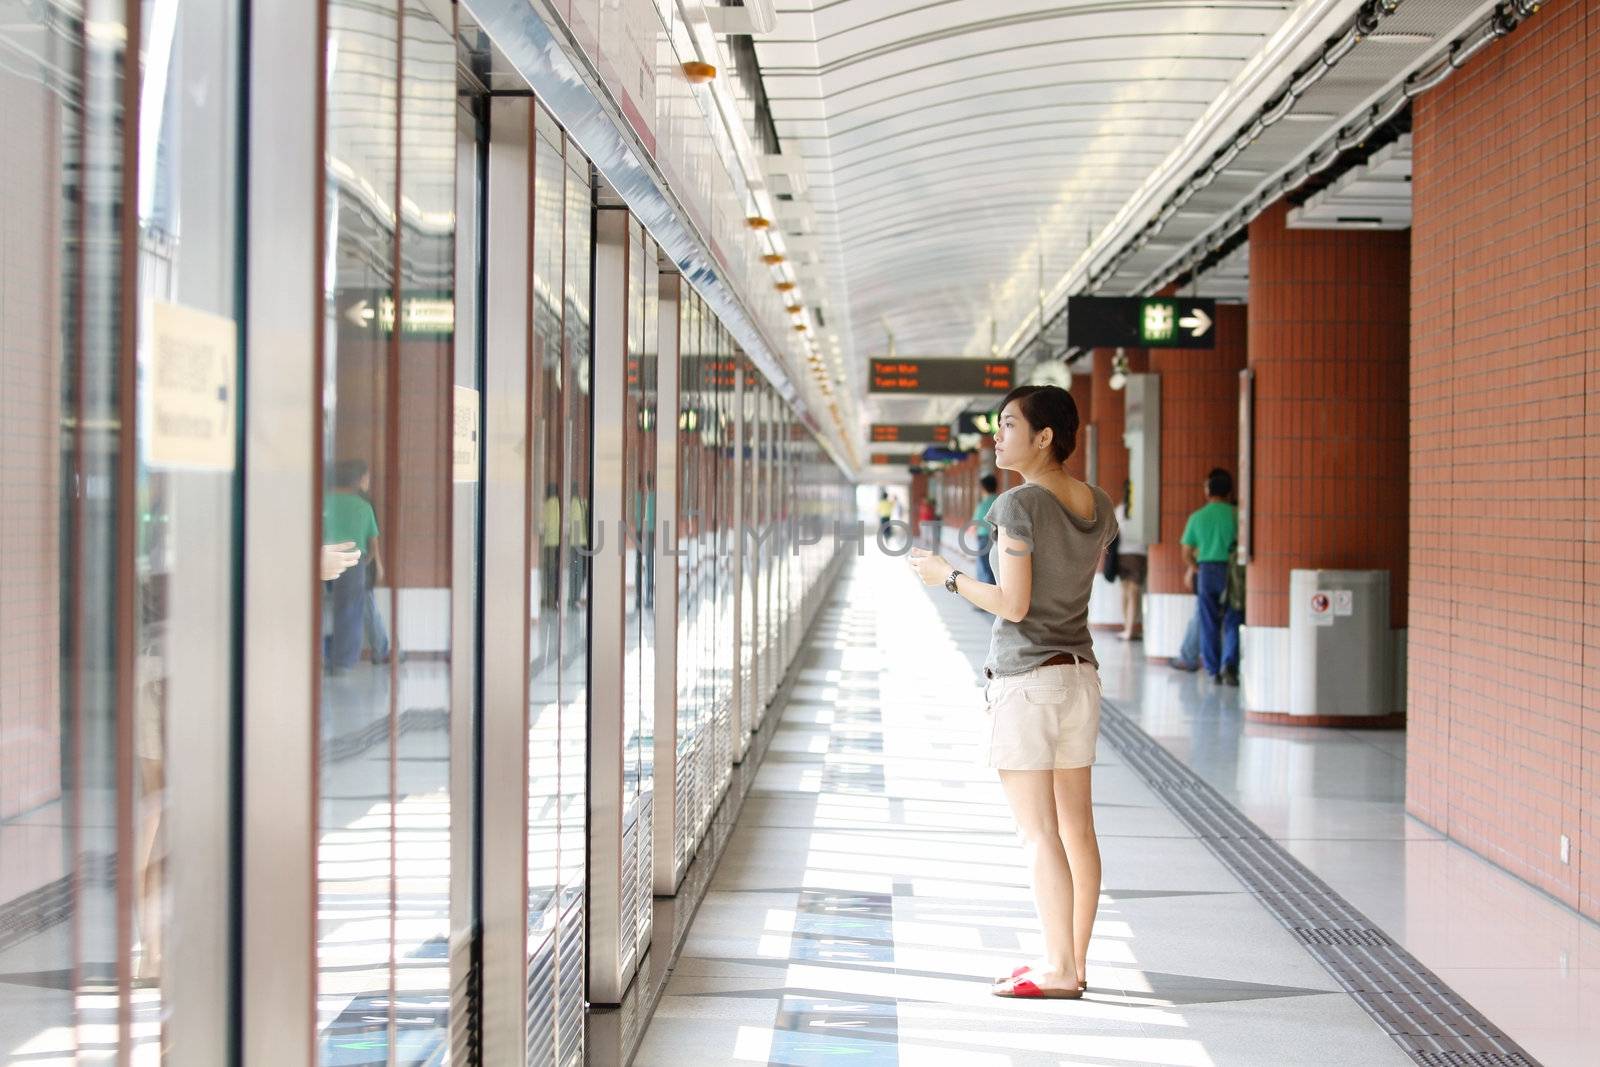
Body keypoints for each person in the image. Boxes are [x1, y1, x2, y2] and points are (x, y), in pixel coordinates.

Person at [910, 384, 1113, 1000]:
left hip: (1028, 682)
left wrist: (945, 577)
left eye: (1007, 425)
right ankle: (1071, 963)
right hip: (1080, 674)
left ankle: (1056, 970)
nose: (996, 438)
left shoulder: (1017, 505)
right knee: (1078, 829)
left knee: (1039, 833)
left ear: (1044, 436)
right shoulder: (1097, 503)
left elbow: (1014, 603)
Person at [1181, 468, 1241, 685]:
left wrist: (1196, 568)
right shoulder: (1237, 515)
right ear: (1229, 493)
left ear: (1208, 492)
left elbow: (1186, 552)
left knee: (1209, 621)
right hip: (1233, 572)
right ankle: (1230, 665)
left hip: (1206, 571)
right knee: (1234, 617)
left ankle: (1213, 670)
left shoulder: (1197, 517)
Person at [323, 459, 381, 671]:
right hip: (353, 562)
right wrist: (375, 563)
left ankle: (321, 655)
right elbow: (373, 540)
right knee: (350, 611)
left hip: (324, 559)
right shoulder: (363, 506)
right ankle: (342, 662)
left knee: (322, 609)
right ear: (358, 480)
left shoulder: (324, 501)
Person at [1112, 497, 1145, 641]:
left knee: (1125, 592)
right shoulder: (1142, 509)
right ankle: (1130, 630)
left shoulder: (1119, 510)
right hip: (1138, 555)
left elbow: (1114, 531)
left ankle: (1126, 628)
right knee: (1134, 594)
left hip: (1122, 554)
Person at [971, 473, 999, 586]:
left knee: (983, 566)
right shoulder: (1000, 500)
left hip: (984, 538)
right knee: (994, 565)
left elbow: (975, 524)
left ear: (983, 487)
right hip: (998, 537)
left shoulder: (982, 504)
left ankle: (985, 594)